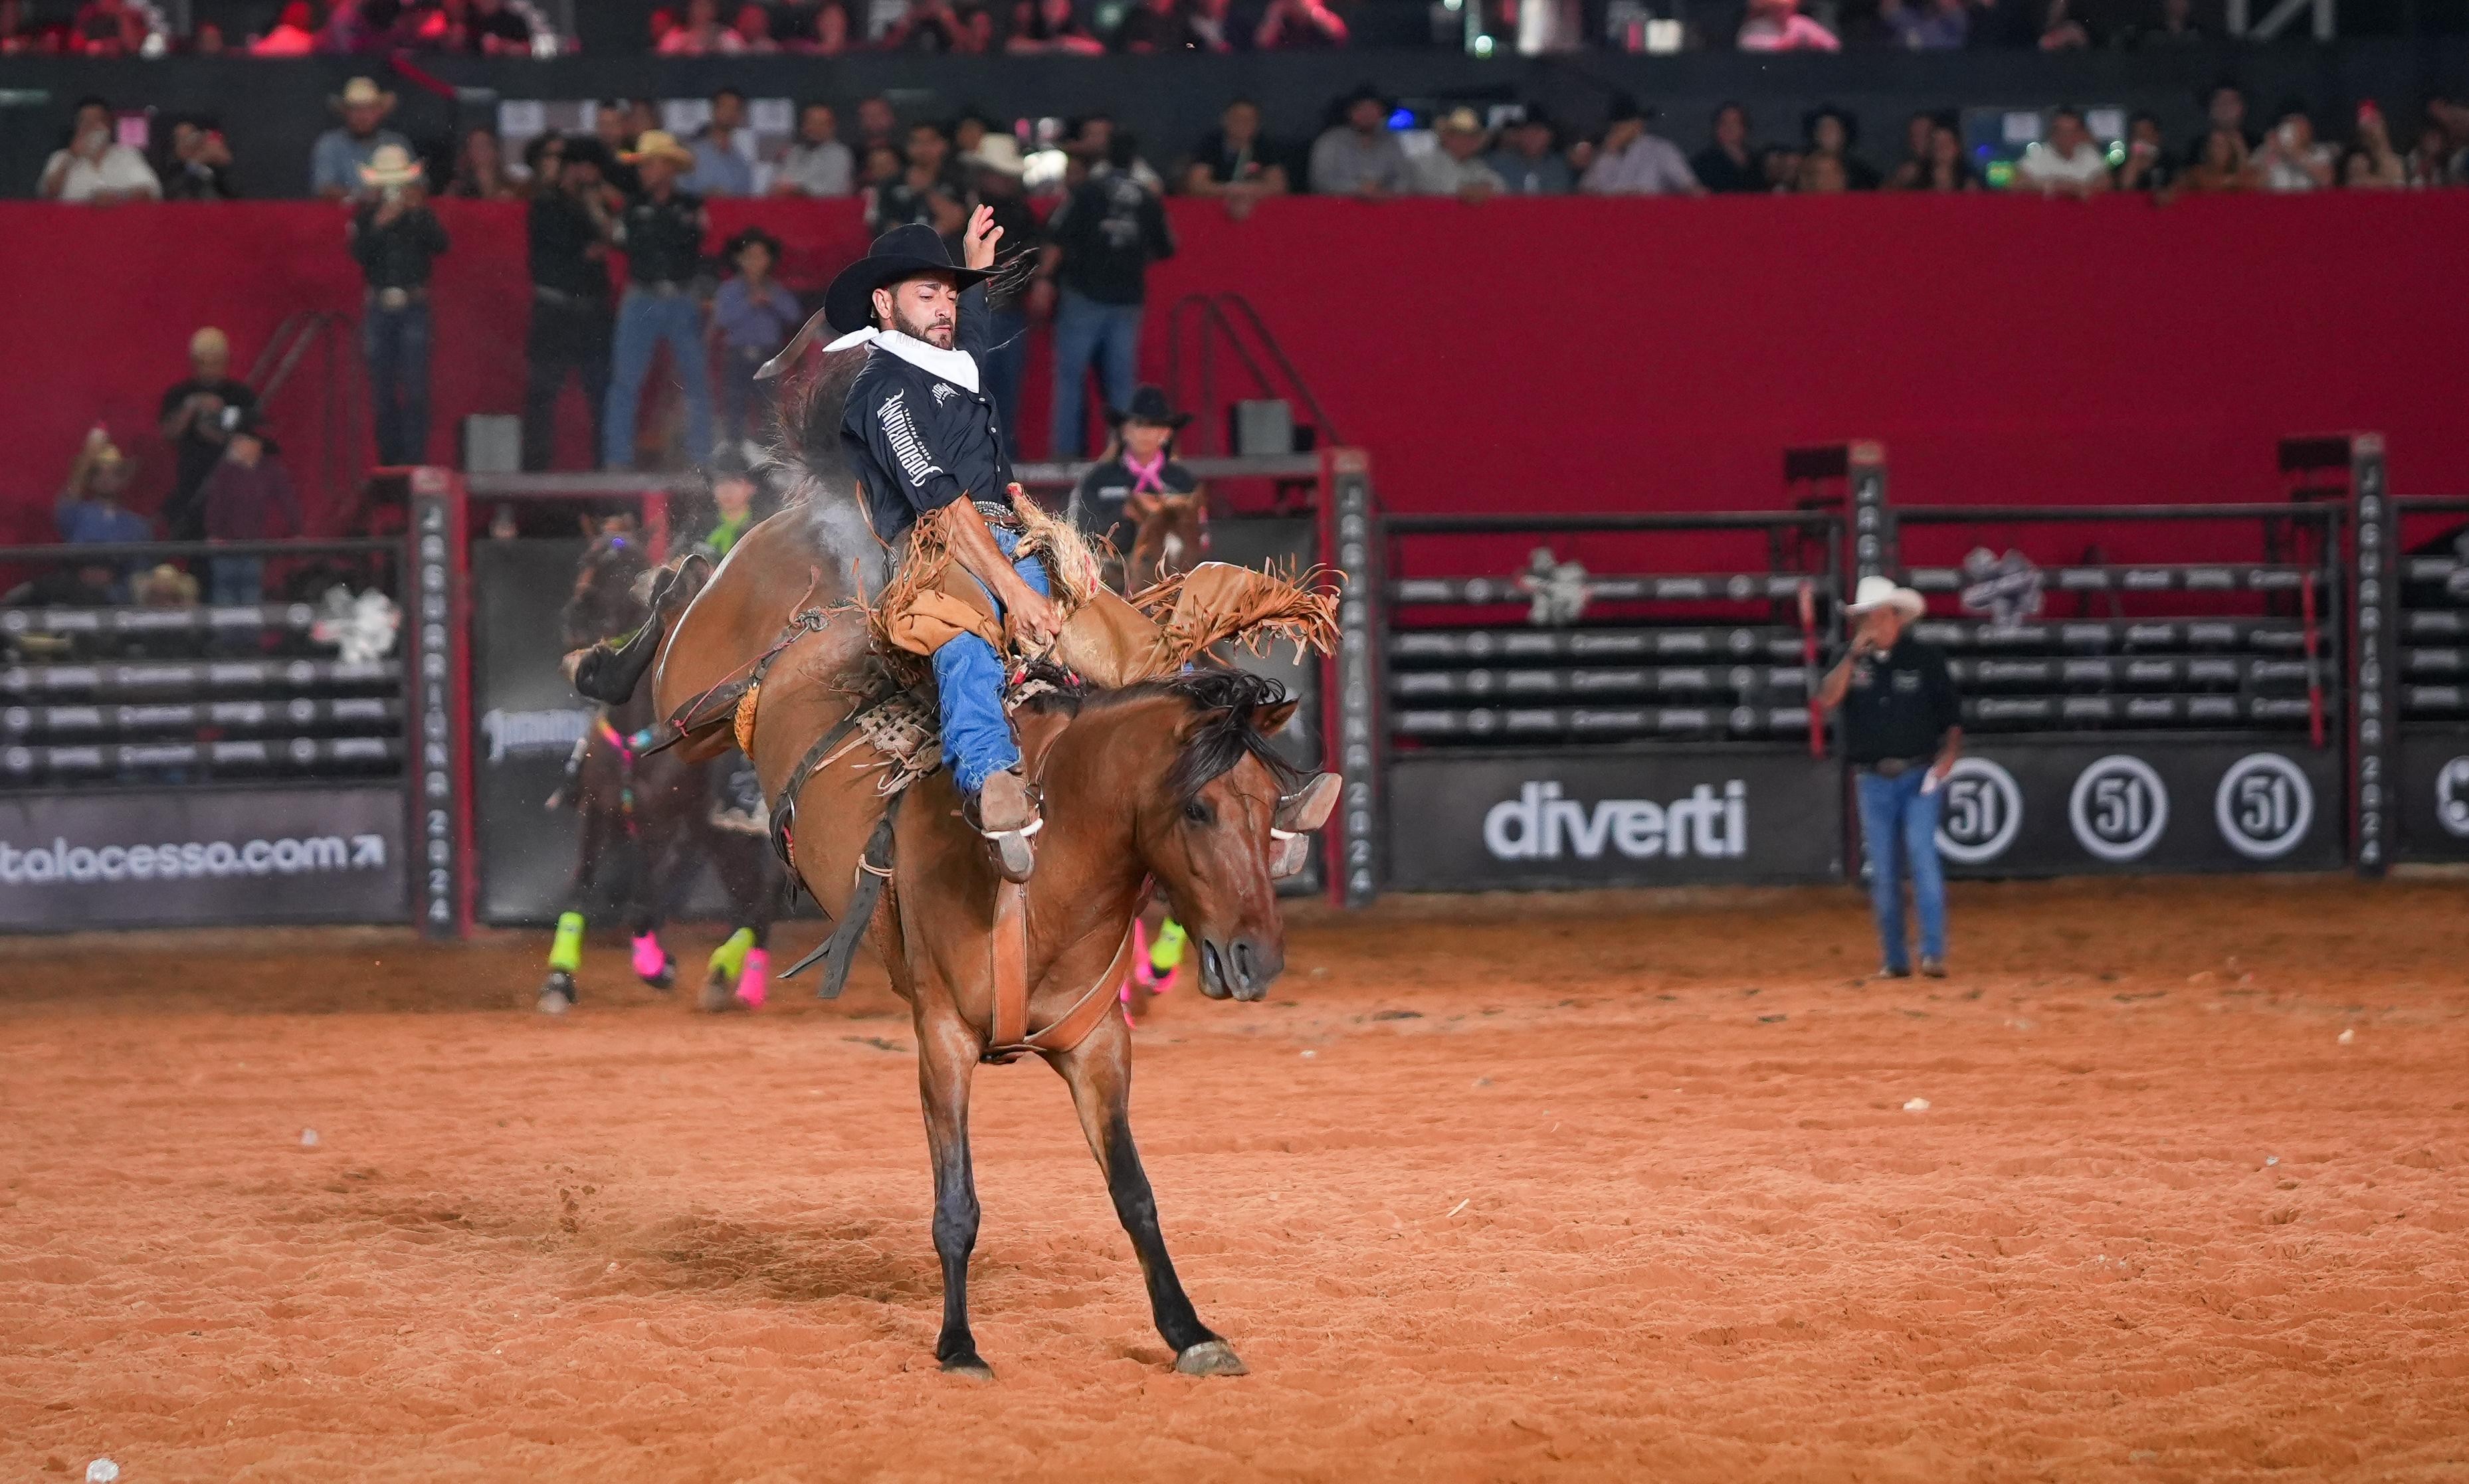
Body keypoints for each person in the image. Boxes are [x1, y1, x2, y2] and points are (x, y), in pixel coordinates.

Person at [829, 215, 1052, 878]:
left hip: (1015, 541)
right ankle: (990, 783)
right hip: (934, 552)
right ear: (883, 302)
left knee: (1111, 627)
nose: (946, 308)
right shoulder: (883, 390)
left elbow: (970, 334)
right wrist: (1015, 592)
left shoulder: (945, 358)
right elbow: (943, 508)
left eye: (950, 296)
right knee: (962, 638)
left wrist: (973, 270)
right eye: (929, 294)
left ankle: (1204, 727)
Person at [1817, 575, 1960, 980]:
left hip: (1919, 774)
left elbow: (1951, 717)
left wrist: (1948, 756)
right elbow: (1828, 697)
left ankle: (1932, 952)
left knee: (1921, 855)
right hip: (1873, 778)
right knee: (1882, 869)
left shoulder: (1925, 659)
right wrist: (1851, 657)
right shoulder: (1850, 658)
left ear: (1897, 618)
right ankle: (1895, 958)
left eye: (1880, 616)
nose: (1874, 624)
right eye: (1868, 617)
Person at [1040, 132, 1174, 458]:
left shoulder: (1087, 191)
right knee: (1121, 384)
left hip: (1084, 293)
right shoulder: (1146, 197)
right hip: (1127, 298)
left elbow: (1057, 236)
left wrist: (1044, 279)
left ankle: (1065, 457)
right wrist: (1130, 256)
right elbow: (1168, 245)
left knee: (1070, 380)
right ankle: (1124, 457)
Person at [603, 131, 714, 470]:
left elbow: (694, 249)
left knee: (696, 381)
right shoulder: (633, 206)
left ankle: (701, 459)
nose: (644, 172)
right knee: (626, 381)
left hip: (681, 297)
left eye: (650, 165)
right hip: (643, 296)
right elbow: (625, 244)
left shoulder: (690, 206)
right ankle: (617, 460)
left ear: (668, 167)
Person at [349, 144, 449, 466]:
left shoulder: (420, 215)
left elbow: (442, 245)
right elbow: (358, 254)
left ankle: (415, 460)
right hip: (379, 306)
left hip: (413, 306)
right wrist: (379, 223)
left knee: (416, 389)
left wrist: (417, 212)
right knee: (382, 393)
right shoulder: (365, 217)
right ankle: (389, 462)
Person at [523, 136, 617, 472]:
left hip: (590, 310)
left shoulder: (593, 206)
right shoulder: (547, 204)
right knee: (543, 394)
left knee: (600, 394)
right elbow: (559, 257)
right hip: (556, 309)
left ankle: (602, 470)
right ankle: (535, 473)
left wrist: (595, 210)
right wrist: (586, 250)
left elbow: (612, 239)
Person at [963, 134, 1040, 457]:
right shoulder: (966, 206)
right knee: (971, 390)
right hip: (971, 312)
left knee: (1002, 394)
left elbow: (1034, 257)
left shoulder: (1020, 213)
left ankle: (1001, 459)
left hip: (1006, 312)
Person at [195, 405, 305, 606]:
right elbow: (215, 504)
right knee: (225, 591)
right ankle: (228, 635)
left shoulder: (270, 470)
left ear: (255, 444)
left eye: (241, 441)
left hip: (255, 544)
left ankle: (249, 636)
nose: (235, 445)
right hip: (226, 544)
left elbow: (288, 500)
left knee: (250, 591)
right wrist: (215, 533)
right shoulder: (225, 472)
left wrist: (296, 529)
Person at [1070, 384, 1195, 557]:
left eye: (1154, 425)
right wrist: (1124, 512)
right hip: (1108, 573)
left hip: (1172, 576)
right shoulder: (1097, 480)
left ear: (1166, 433)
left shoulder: (1183, 482)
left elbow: (1198, 540)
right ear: (1124, 430)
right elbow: (1078, 534)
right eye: (1138, 424)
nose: (1145, 432)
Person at [157, 327, 258, 541]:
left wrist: (214, 427)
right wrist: (190, 408)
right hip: (192, 485)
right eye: (203, 362)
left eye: (216, 362)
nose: (210, 369)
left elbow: (248, 444)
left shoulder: (239, 396)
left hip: (233, 488)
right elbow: (169, 433)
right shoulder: (180, 394)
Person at [711, 227, 803, 455]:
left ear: (770, 260)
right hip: (738, 354)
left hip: (768, 356)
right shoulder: (730, 289)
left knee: (767, 407)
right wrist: (749, 303)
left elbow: (794, 315)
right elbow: (723, 319)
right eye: (750, 257)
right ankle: (733, 454)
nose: (756, 262)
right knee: (735, 405)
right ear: (739, 260)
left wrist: (771, 301)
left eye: (761, 256)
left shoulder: (775, 289)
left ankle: (766, 456)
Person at [39, 96, 159, 203]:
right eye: (85, 121)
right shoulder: (60, 157)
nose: (90, 126)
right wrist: (71, 157)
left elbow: (149, 192)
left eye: (96, 120)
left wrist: (117, 197)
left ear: (108, 125)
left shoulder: (128, 155)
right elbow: (47, 196)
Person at [1183, 98, 1292, 213]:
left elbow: (1278, 186)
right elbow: (1196, 185)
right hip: (1211, 212)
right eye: (1237, 119)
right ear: (1225, 120)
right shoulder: (1211, 144)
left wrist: (1249, 190)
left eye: (1248, 120)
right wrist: (1228, 189)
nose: (1242, 124)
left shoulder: (1264, 146)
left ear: (1257, 124)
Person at [310, 76, 409, 201]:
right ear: (345, 112)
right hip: (345, 217)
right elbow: (324, 188)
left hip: (393, 217)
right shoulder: (329, 144)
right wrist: (362, 196)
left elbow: (419, 185)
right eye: (355, 109)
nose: (362, 116)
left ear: (379, 112)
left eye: (369, 109)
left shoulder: (397, 142)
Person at [1581, 97, 1701, 195]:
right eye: (1615, 127)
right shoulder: (1604, 155)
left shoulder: (1661, 150)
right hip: (1611, 218)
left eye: (1623, 127)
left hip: (1651, 217)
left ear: (1638, 126)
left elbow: (1690, 186)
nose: (1617, 131)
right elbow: (1584, 192)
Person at [56, 429, 152, 547]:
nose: (105, 478)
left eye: (114, 472)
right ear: (90, 478)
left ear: (124, 478)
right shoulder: (78, 513)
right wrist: (88, 455)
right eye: (98, 472)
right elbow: (72, 494)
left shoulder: (136, 525)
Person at [1308, 84, 1409, 197]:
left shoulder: (1392, 142)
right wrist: (1359, 190)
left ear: (1382, 112)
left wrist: (1384, 192)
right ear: (1349, 113)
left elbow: (1405, 180)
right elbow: (1321, 181)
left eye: (1373, 108)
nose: (1367, 114)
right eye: (1361, 109)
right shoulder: (1330, 141)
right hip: (1339, 208)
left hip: (1384, 207)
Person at [2014, 106, 2110, 197]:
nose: (2067, 137)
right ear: (2053, 133)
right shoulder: (2038, 154)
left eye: (2072, 132)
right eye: (2062, 132)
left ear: (2080, 133)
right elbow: (2017, 184)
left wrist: (2078, 188)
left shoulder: (2089, 153)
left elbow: (2106, 182)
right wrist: (2053, 186)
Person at [1412, 108, 1504, 199]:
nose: (1467, 141)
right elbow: (1436, 189)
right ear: (1446, 137)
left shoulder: (1476, 165)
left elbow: (1499, 186)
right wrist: (1468, 191)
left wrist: (1485, 189)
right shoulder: (1424, 163)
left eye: (1472, 137)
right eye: (1459, 135)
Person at [681, 88, 755, 198]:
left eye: (735, 109)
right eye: (725, 107)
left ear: (740, 115)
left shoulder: (741, 163)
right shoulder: (691, 154)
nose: (729, 113)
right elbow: (678, 191)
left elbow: (745, 201)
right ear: (713, 110)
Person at [773, 102, 854, 197]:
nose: (814, 128)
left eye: (820, 124)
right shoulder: (794, 152)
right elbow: (780, 182)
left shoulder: (840, 154)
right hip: (790, 208)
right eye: (810, 122)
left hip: (826, 209)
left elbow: (833, 190)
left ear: (831, 127)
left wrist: (796, 190)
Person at [2251, 102, 2334, 192]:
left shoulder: (2320, 152)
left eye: (2299, 126)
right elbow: (2253, 186)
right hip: (2276, 203)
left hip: (2309, 203)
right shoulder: (2266, 151)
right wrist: (2271, 155)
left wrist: (2295, 154)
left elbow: (2327, 181)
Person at [1489, 108, 1574, 195]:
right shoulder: (1498, 164)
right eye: (1526, 131)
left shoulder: (1560, 167)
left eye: (1538, 131)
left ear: (1550, 136)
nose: (1532, 137)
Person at [1801, 106, 1877, 190]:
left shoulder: (1861, 172)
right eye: (1823, 128)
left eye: (1833, 129)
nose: (1827, 133)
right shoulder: (1802, 166)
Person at [159, 118, 237, 201]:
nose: (189, 143)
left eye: (192, 135)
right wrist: (195, 164)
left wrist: (223, 162)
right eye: (183, 139)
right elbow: (174, 192)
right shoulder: (172, 172)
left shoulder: (216, 169)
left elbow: (234, 190)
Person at [1690, 104, 1760, 194]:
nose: (1729, 128)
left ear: (1744, 128)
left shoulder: (1758, 161)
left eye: (1735, 122)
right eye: (1724, 123)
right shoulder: (1701, 163)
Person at [446, 124, 520, 199]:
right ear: (467, 151)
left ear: (495, 150)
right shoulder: (457, 189)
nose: (481, 150)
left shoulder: (513, 187)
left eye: (485, 144)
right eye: (475, 145)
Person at [1737, 0, 1837, 49]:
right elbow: (1746, 45)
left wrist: (1815, 42)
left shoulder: (1800, 23)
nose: (1783, 12)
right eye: (1778, 8)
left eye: (1787, 8)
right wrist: (1783, 44)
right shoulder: (1757, 26)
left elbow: (1833, 45)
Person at [1254, 0, 1345, 46]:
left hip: (1323, 70)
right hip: (1284, 69)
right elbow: (1262, 44)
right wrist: (1275, 17)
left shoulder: (1329, 8)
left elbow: (1340, 35)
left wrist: (1313, 12)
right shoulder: (1280, 9)